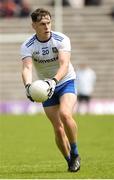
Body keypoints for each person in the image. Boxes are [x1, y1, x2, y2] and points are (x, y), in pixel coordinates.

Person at [20, 8, 81, 172]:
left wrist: (54, 81)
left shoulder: (61, 39)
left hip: (65, 81)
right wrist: (28, 86)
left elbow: (64, 64)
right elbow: (27, 67)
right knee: (58, 128)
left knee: (65, 114)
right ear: (34, 26)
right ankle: (69, 160)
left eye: (48, 22)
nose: (46, 26)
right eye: (42, 24)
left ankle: (75, 153)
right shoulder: (28, 45)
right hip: (45, 88)